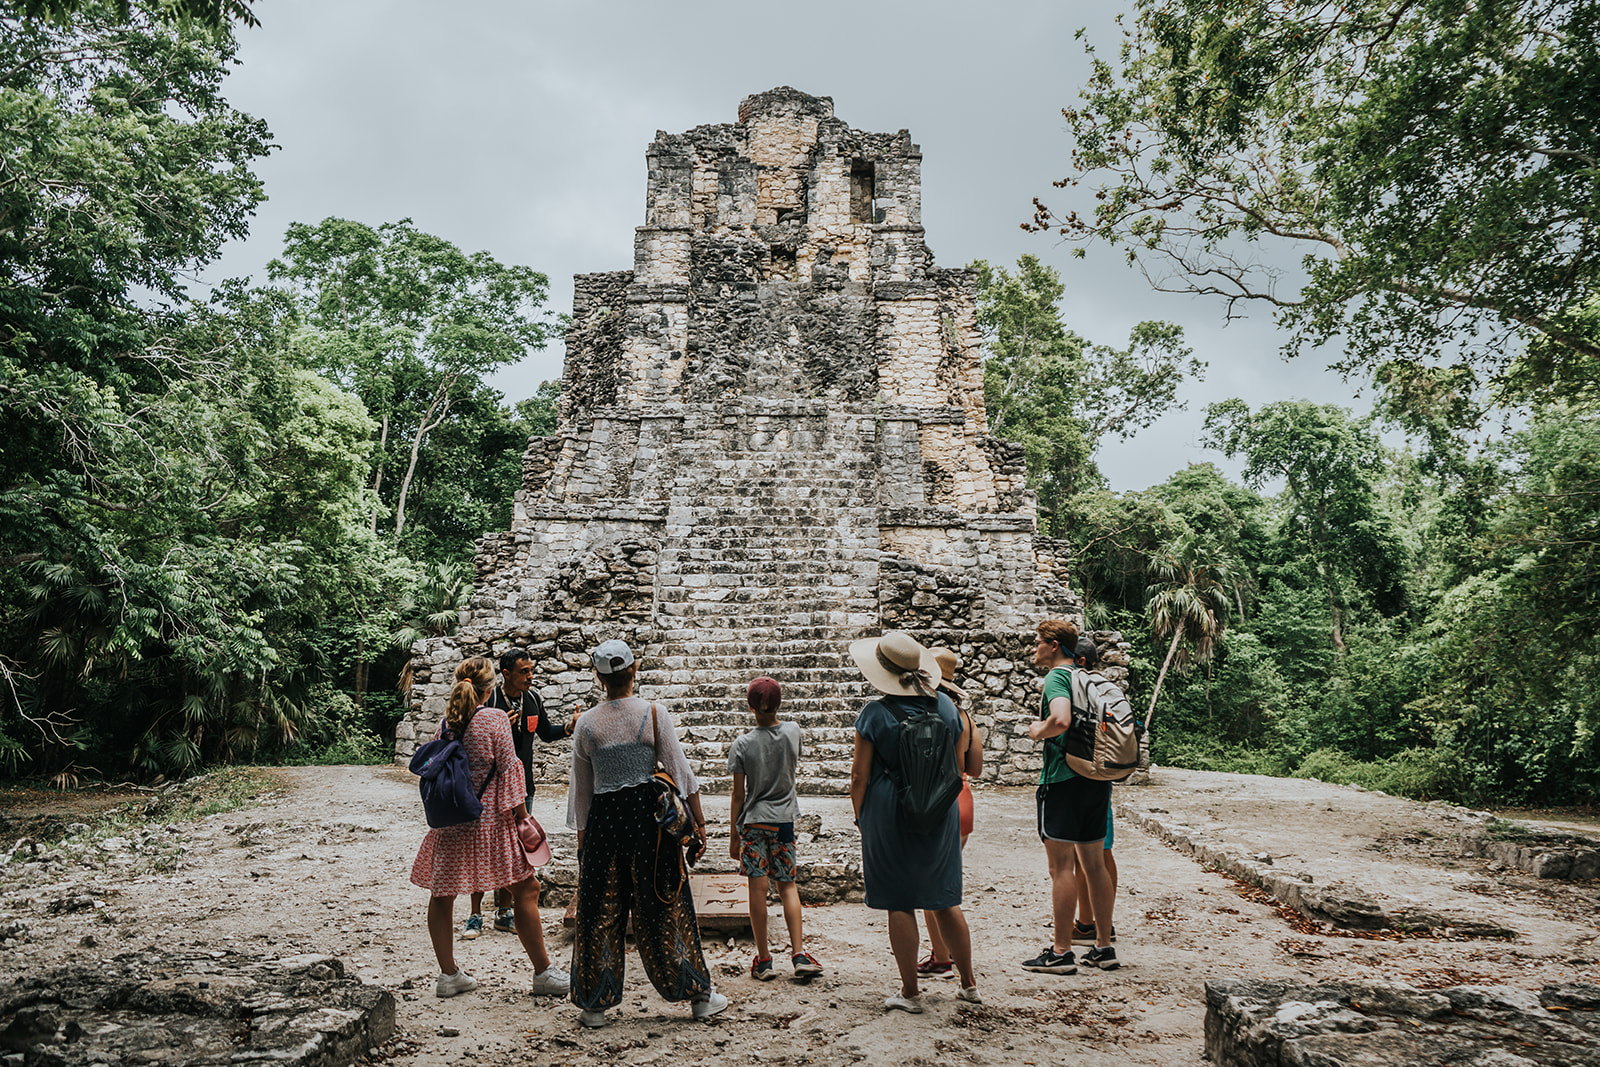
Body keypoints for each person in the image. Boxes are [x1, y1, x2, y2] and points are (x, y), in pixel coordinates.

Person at [566, 639, 727, 1028]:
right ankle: (697, 996)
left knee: (600, 909)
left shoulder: (586, 724)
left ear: (599, 678)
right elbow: (681, 773)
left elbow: (581, 791)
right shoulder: (654, 714)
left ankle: (594, 1005)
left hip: (605, 822)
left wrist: (582, 843)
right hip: (648, 823)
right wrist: (699, 825)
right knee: (664, 902)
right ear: (633, 671)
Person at [409, 655, 571, 998]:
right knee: (526, 890)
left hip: (452, 821)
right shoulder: (496, 719)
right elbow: (512, 773)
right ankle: (543, 972)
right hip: (491, 823)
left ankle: (449, 974)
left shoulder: (447, 723)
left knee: (442, 895)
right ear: (490, 688)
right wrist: (523, 816)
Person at [849, 630, 979, 1012]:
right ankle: (969, 983)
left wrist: (860, 813)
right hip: (940, 807)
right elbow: (957, 768)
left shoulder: (874, 714)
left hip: (889, 808)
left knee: (899, 901)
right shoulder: (947, 708)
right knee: (945, 898)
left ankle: (910, 992)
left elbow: (860, 774)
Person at [462, 648, 580, 939]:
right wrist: (502, 727)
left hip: (522, 787)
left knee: (513, 850)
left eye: (531, 670)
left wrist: (569, 728)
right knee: (482, 846)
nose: (530, 676)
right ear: (506, 674)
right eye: (524, 671)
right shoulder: (488, 699)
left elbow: (546, 732)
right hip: (486, 789)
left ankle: (504, 913)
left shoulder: (533, 699)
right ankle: (475, 915)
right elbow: (470, 736)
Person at [1025, 619, 1119, 973]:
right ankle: (1103, 947)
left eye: (1038, 642)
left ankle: (1061, 951)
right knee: (1094, 864)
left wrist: (1039, 731)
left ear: (1054, 645)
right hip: (1096, 778)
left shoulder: (1058, 677)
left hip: (1063, 779)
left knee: (1061, 867)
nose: (1034, 648)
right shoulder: (1091, 678)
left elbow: (1061, 720)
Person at [727, 676, 823, 981]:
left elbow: (738, 795)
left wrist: (734, 833)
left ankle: (765, 960)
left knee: (757, 890)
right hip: (783, 822)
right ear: (778, 703)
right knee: (788, 887)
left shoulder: (742, 744)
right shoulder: (793, 732)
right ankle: (798, 954)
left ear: (749, 705)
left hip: (754, 823)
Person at [918, 646, 982, 979]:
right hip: (964, 797)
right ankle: (949, 952)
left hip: (937, 802)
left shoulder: (926, 714)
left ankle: (941, 955)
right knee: (944, 882)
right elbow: (976, 767)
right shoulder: (964, 718)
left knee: (931, 886)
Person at [1069, 636, 1119, 947]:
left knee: (1084, 855)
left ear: (1081, 661)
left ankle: (1090, 923)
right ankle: (1102, 922)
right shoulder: (1109, 689)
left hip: (1084, 773)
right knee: (1102, 851)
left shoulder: (1080, 687)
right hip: (1105, 773)